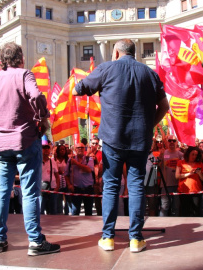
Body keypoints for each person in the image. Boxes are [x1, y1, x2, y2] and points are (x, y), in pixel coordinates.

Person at [73, 39, 168, 252]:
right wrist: (148, 125)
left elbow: (77, 90)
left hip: (113, 141)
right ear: (134, 53)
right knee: (135, 185)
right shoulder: (150, 73)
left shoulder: (106, 68)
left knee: (111, 185)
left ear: (115, 52)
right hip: (140, 140)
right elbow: (164, 106)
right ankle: (136, 238)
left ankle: (108, 238)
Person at [0, 42, 60, 255]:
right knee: (30, 192)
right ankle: (35, 241)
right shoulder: (24, 75)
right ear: (20, 58)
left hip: (1, 144)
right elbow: (36, 96)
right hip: (25, 140)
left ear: (2, 60)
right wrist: (43, 117)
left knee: (2, 192)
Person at [65, 142, 95, 216]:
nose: (80, 149)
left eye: (82, 147)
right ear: (75, 149)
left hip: (88, 189)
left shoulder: (89, 159)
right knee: (75, 211)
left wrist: (76, 164)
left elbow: (88, 170)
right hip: (76, 189)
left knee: (88, 211)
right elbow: (66, 174)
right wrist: (69, 184)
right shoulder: (70, 160)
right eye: (78, 148)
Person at [175, 147, 203, 217]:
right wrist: (189, 174)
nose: (194, 156)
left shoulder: (200, 164)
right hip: (183, 191)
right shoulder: (181, 162)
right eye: (192, 154)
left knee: (196, 211)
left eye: (196, 155)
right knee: (184, 211)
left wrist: (199, 173)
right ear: (188, 154)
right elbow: (177, 176)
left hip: (196, 191)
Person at [161, 135, 183, 216]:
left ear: (176, 142)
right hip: (165, 184)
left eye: (174, 141)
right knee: (164, 206)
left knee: (176, 207)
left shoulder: (180, 154)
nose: (172, 142)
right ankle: (161, 224)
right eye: (170, 140)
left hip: (177, 185)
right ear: (167, 141)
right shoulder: (163, 153)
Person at [41, 139, 60, 215]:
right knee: (40, 210)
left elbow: (57, 176)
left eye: (48, 148)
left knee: (52, 211)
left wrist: (57, 187)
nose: (46, 150)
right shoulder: (37, 161)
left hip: (52, 189)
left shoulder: (53, 161)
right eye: (44, 148)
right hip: (41, 189)